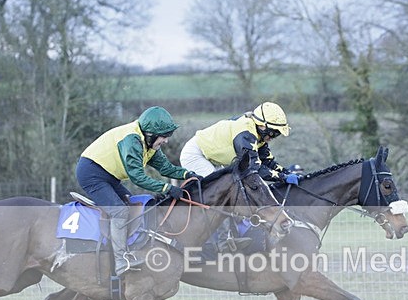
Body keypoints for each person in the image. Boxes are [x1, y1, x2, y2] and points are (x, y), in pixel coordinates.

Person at [76, 106, 198, 275]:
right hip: (91, 173)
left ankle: (127, 251)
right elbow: (138, 177)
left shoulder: (149, 143)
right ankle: (119, 261)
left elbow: (165, 168)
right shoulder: (133, 142)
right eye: (164, 137)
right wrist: (167, 188)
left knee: (133, 208)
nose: (166, 141)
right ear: (151, 134)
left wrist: (187, 173)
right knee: (120, 212)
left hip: (108, 174)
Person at [180, 102, 297, 254]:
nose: (273, 137)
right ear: (262, 125)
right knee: (224, 194)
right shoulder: (246, 134)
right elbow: (254, 169)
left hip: (212, 158)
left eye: (277, 133)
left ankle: (234, 234)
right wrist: (282, 177)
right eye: (273, 132)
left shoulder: (258, 134)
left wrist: (287, 173)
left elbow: (267, 161)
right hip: (197, 155)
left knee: (234, 190)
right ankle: (223, 242)